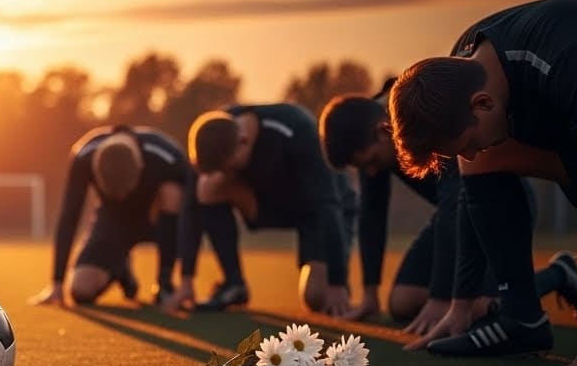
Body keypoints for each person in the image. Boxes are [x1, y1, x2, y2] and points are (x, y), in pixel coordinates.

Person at [389, 0, 577, 366]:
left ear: (482, 104)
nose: (467, 154)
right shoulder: (463, 61)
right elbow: (472, 189)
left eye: (465, 145)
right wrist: (461, 305)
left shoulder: (574, 60)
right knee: (482, 163)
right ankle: (522, 318)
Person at [319, 84, 577, 332]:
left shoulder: (421, 115)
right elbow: (372, 215)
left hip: (499, 209)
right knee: (403, 302)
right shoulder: (369, 134)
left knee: (477, 311)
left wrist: (440, 299)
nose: (372, 170)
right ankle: (480, 295)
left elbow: (454, 198)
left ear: (383, 130)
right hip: (453, 216)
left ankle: (559, 274)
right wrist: (369, 294)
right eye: (364, 166)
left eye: (372, 160)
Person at [182, 103, 353, 315]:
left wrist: (337, 281)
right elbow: (191, 208)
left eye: (229, 168)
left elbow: (328, 204)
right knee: (206, 186)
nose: (226, 175)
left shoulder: (296, 129)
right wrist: (186, 280)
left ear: (243, 141)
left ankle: (331, 276)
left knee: (316, 297)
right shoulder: (213, 132)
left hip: (317, 209)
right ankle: (234, 284)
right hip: (268, 202)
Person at [29, 126, 189, 310]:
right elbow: (70, 214)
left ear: (141, 165)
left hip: (154, 220)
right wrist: (57, 283)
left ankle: (164, 284)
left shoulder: (167, 156)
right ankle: (121, 267)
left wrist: (182, 281)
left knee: (172, 193)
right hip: (113, 221)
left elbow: (192, 215)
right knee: (81, 291)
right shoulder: (84, 155)